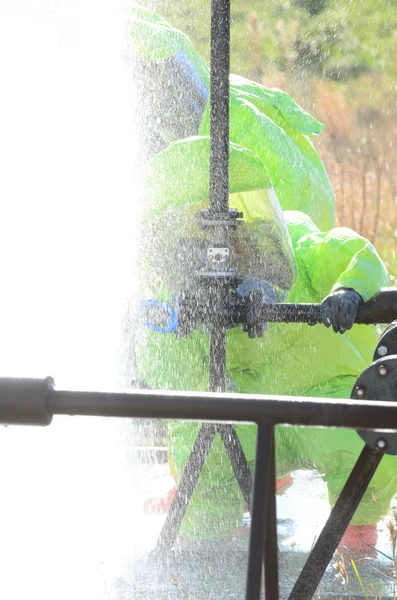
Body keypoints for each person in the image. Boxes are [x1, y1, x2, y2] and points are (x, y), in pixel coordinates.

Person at [128, 6, 397, 552]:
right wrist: (168, 325)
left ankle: (359, 531)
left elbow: (354, 252)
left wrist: (348, 294)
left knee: (355, 450)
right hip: (245, 400)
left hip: (324, 393)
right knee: (207, 479)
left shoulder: (294, 235)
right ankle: (214, 500)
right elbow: (162, 364)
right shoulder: (185, 268)